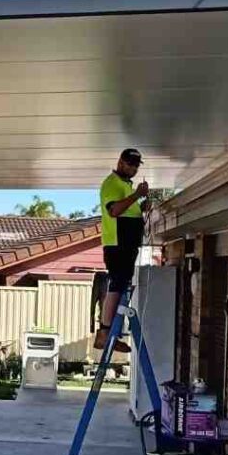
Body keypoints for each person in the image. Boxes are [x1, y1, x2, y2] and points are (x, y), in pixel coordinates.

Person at [94, 148, 150, 351]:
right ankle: (104, 333)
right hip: (118, 244)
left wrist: (141, 206)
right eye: (130, 164)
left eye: (136, 165)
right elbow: (115, 210)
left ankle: (110, 331)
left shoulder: (125, 186)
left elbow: (127, 210)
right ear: (120, 162)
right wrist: (137, 195)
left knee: (119, 284)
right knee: (117, 284)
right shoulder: (112, 183)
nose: (134, 168)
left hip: (126, 245)